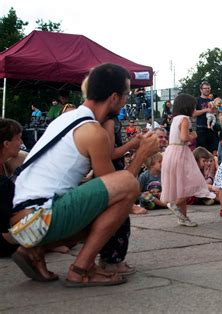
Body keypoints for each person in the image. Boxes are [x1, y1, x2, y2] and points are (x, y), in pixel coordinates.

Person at [11, 63, 160, 286]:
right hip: (38, 219)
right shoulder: (92, 131)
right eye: (126, 94)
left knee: (102, 197)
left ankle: (34, 250)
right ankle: (81, 269)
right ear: (113, 97)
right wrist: (142, 154)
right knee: (126, 188)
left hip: (22, 221)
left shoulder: (66, 120)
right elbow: (122, 187)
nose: (127, 100)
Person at [161, 94, 216, 227]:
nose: (195, 108)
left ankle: (183, 218)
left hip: (172, 151)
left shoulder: (176, 119)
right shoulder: (185, 120)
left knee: (181, 185)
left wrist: (206, 110)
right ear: (188, 107)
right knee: (190, 182)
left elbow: (195, 114)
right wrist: (193, 135)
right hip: (181, 152)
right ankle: (174, 204)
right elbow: (185, 137)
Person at [0, 119, 27, 257]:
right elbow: (8, 220)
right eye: (19, 139)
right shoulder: (3, 183)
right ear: (6, 143)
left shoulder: (6, 164)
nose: (21, 143)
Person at [194, 82, 216, 154]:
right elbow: (193, 113)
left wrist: (216, 111)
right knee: (202, 153)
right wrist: (206, 110)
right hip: (201, 129)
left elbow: (216, 113)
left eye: (208, 88)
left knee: (211, 152)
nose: (207, 90)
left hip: (211, 129)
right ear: (201, 90)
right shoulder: (197, 100)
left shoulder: (211, 101)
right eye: (205, 88)